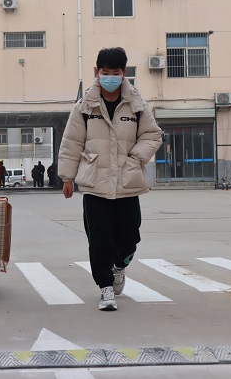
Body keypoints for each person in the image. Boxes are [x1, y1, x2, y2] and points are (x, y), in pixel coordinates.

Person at [58, 47, 162, 312]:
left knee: (130, 238)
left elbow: (152, 135)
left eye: (115, 73)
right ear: (97, 72)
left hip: (127, 183)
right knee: (99, 238)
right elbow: (71, 142)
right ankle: (105, 288)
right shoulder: (85, 106)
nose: (110, 77)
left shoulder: (137, 104)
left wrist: (135, 158)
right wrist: (67, 177)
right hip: (95, 184)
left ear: (123, 73)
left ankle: (119, 267)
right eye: (105, 72)